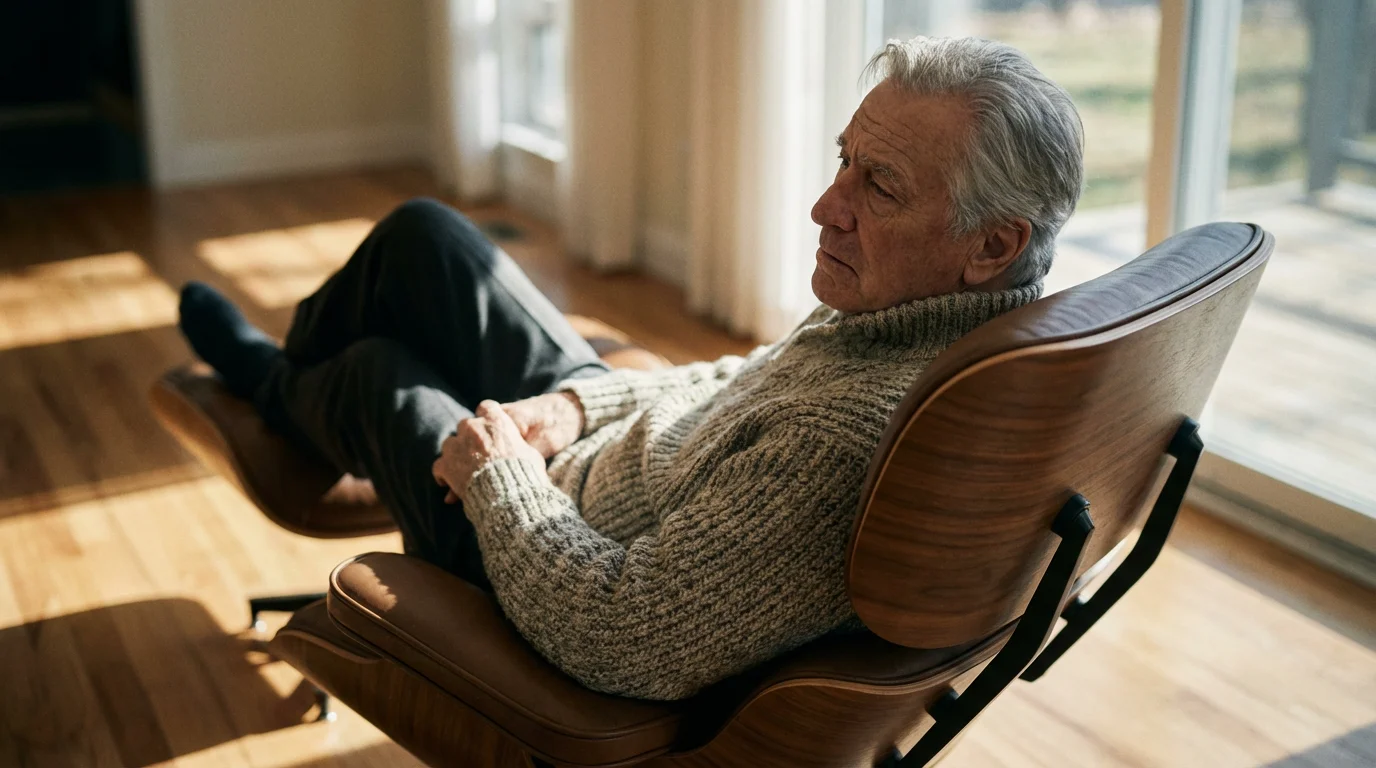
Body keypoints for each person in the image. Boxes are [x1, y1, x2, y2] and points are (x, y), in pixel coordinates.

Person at [176, 36, 1083, 701]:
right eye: (845, 161)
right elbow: (744, 381)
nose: (823, 205)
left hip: (526, 549)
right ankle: (289, 379)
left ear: (992, 244)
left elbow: (623, 632)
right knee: (428, 239)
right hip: (596, 458)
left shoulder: (841, 442)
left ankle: (274, 383)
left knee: (379, 370)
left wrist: (503, 480)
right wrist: (574, 406)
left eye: (878, 186)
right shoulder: (909, 314)